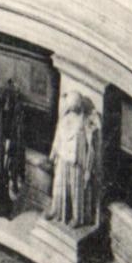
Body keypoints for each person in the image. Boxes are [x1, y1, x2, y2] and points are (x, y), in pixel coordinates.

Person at [46, 90, 101, 229]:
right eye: (70, 107)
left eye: (74, 107)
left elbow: (91, 149)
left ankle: (78, 217)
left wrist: (89, 168)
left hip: (77, 162)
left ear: (79, 106)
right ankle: (56, 210)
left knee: (77, 191)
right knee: (59, 186)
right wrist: (53, 154)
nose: (71, 109)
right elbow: (58, 137)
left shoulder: (85, 122)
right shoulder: (65, 118)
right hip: (63, 158)